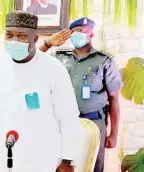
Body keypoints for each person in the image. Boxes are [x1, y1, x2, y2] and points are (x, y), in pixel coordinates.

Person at [0, 11, 81, 172]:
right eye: (9, 35)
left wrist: (68, 160)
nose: (14, 41)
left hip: (43, 161)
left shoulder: (53, 69)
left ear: (35, 38)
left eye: (22, 36)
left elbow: (68, 117)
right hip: (3, 160)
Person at [39, 17, 123, 172]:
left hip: (94, 122)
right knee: (58, 164)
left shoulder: (104, 60)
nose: (79, 33)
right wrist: (48, 43)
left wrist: (114, 133)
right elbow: (32, 62)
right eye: (75, 31)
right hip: (62, 122)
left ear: (91, 34)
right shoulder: (59, 57)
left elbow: (114, 99)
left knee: (92, 165)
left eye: (83, 31)